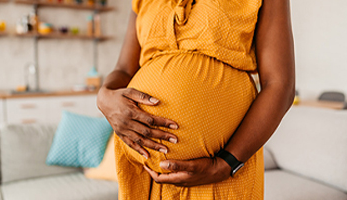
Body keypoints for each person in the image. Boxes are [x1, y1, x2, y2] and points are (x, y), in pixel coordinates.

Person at [97, 0, 295, 199]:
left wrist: (226, 164)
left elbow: (280, 85)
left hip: (222, 174)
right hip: (146, 177)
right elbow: (123, 69)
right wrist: (104, 95)